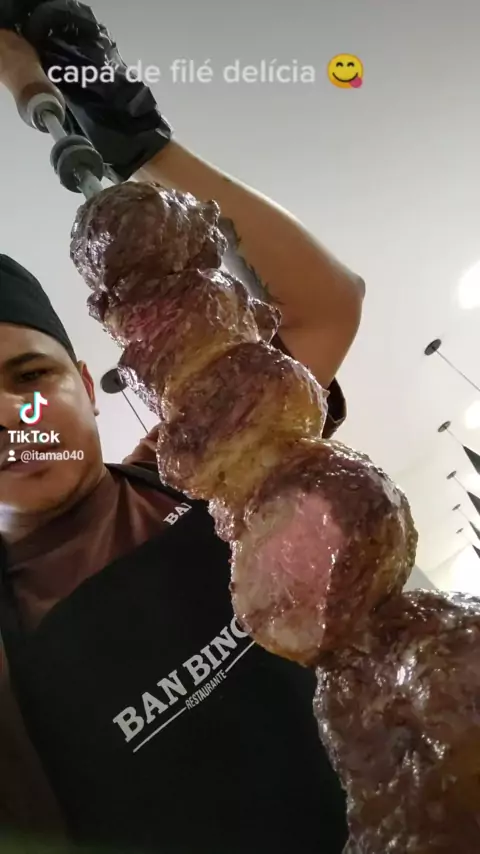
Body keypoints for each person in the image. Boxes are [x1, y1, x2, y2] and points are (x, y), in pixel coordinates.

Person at [0, 4, 365, 852]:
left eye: (30, 378)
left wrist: (136, 142)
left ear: (85, 384)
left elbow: (325, 304)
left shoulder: (200, 461)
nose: (13, 418)